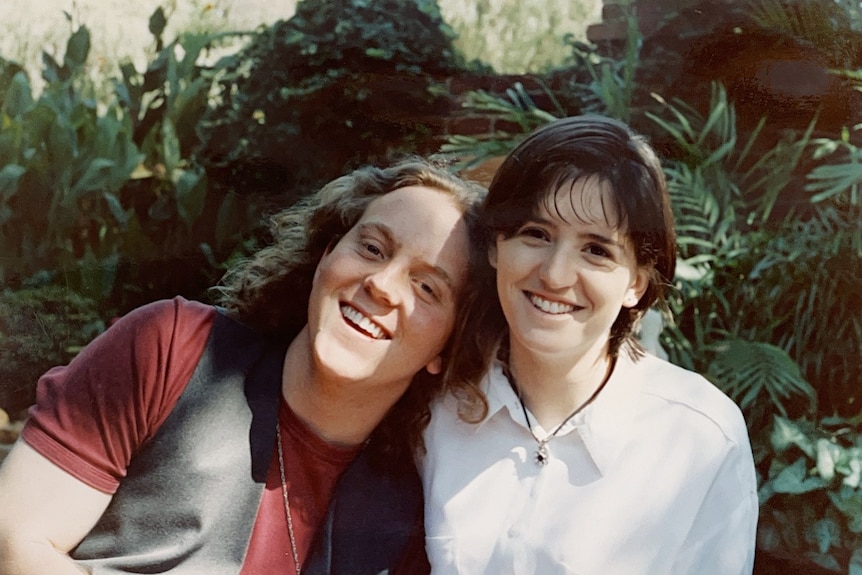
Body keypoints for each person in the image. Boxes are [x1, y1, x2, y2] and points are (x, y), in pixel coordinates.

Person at [0, 157, 485, 575]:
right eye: (373, 248)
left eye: (428, 288)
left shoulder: (420, 513)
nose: (382, 283)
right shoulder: (173, 348)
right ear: (327, 254)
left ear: (448, 347)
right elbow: (16, 539)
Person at [424, 115, 758, 574]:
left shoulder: (700, 438)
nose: (555, 274)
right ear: (496, 246)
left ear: (636, 283)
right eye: (536, 234)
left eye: (597, 250)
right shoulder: (434, 404)